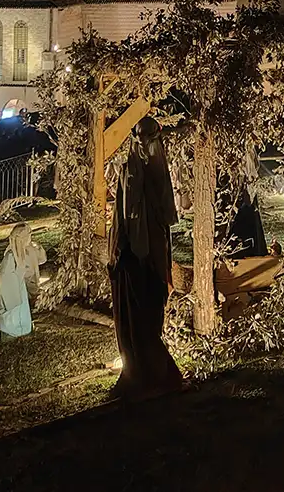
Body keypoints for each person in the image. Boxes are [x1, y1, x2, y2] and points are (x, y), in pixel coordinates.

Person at [108, 117, 183, 401]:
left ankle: (152, 371)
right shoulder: (132, 170)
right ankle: (143, 372)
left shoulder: (156, 169)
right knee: (137, 317)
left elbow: (165, 212)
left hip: (152, 254)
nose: (149, 147)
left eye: (152, 141)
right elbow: (129, 214)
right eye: (145, 140)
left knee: (152, 313)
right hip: (134, 257)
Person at [0, 222, 45, 338]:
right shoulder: (10, 255)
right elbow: (7, 278)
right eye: (29, 235)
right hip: (13, 291)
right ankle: (11, 329)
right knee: (14, 313)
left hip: (20, 289)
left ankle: (23, 328)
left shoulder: (27, 251)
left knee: (21, 312)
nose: (31, 237)